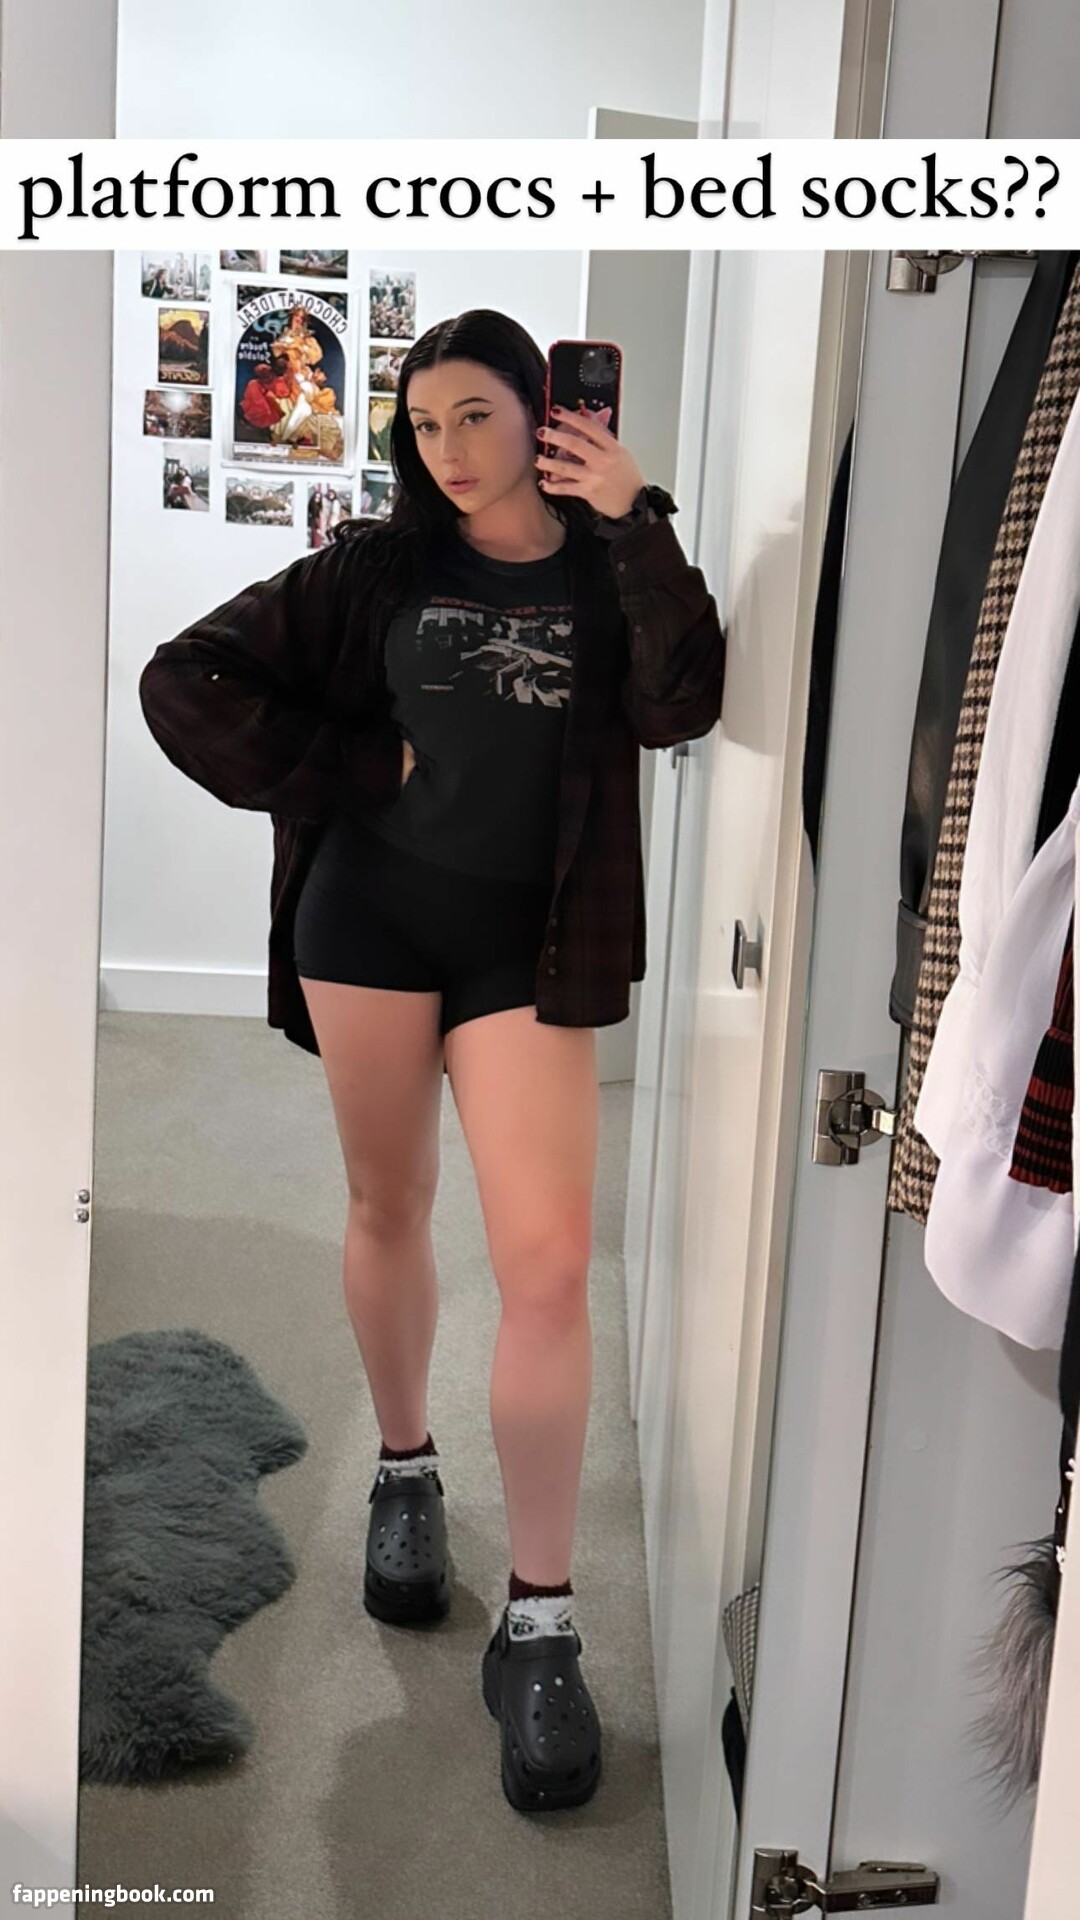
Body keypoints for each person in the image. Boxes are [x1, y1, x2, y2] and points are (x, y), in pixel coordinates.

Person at [138, 307, 726, 1815]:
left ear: (544, 412)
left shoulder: (608, 564)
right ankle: (405, 1470)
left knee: (547, 1265)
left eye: (477, 416)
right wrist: (349, 766)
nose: (450, 451)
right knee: (387, 1205)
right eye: (425, 424)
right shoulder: (373, 568)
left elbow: (684, 699)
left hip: (528, 945)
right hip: (372, 923)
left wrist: (639, 515)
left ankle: (541, 1620)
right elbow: (185, 678)